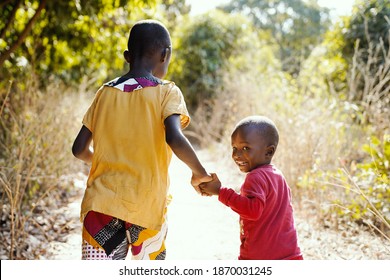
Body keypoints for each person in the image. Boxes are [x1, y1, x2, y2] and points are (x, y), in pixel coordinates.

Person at [72, 19, 212, 260]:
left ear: (127, 55)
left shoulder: (104, 93)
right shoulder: (167, 92)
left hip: (101, 205)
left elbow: (78, 149)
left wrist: (105, 161)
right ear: (165, 55)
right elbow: (175, 138)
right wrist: (199, 172)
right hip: (146, 207)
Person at [200, 116, 303, 260]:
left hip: (260, 256)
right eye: (234, 148)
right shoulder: (278, 175)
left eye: (245, 148)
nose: (237, 155)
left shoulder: (255, 177)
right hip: (289, 254)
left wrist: (220, 191)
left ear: (269, 152)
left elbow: (252, 210)